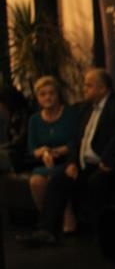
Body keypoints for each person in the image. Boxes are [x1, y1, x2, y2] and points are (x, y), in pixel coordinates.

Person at [26, 69, 115, 244]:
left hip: (107, 164)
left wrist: (107, 159)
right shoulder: (86, 108)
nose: (84, 89)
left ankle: (102, 236)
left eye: (88, 85)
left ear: (102, 88)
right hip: (85, 164)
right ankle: (46, 230)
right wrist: (72, 162)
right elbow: (78, 140)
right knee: (58, 180)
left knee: (96, 182)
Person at [24, 76, 80, 229]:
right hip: (45, 162)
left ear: (58, 94)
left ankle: (66, 214)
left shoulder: (70, 114)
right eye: (43, 94)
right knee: (36, 181)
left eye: (51, 93)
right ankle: (48, 221)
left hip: (68, 160)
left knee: (54, 178)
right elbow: (32, 148)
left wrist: (62, 150)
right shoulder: (34, 120)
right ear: (37, 98)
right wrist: (43, 152)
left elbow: (78, 139)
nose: (47, 97)